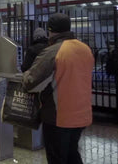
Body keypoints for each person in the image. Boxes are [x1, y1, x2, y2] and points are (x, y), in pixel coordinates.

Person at [22, 13, 94, 164]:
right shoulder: (85, 49)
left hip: (59, 116)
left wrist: (26, 74)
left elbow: (31, 82)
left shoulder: (53, 51)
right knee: (72, 153)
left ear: (51, 31)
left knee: (57, 158)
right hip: (82, 113)